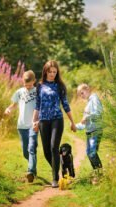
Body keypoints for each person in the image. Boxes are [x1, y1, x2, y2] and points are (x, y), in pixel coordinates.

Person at [32, 60, 76, 188]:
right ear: (45, 71)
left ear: (57, 73)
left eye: (54, 72)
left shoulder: (60, 86)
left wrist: (72, 122)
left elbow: (66, 105)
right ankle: (60, 166)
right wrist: (34, 122)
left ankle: (55, 179)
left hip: (57, 120)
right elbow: (37, 105)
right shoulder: (39, 86)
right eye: (50, 72)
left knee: (53, 147)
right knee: (46, 152)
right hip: (43, 121)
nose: (52, 74)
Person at [5, 70, 38, 183]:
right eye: (25, 85)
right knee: (25, 152)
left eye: (29, 85)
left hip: (33, 125)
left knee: (31, 148)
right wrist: (8, 109)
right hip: (21, 126)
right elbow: (13, 105)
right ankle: (33, 168)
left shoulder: (38, 92)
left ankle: (30, 171)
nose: (27, 87)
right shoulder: (19, 92)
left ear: (34, 81)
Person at [75, 83, 103, 170]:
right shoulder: (89, 102)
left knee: (92, 153)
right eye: (80, 95)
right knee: (89, 152)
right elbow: (85, 123)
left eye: (82, 93)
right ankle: (97, 172)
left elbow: (98, 113)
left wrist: (87, 117)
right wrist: (75, 126)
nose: (81, 96)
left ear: (87, 89)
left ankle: (99, 173)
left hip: (95, 130)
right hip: (90, 131)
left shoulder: (94, 99)